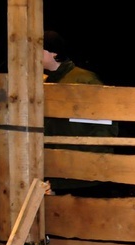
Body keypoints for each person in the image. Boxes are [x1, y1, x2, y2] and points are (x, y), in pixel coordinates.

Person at [43, 30, 119, 196]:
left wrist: (94, 165)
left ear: (53, 52)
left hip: (84, 176)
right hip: (58, 174)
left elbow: (104, 127)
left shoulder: (83, 80)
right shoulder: (47, 83)